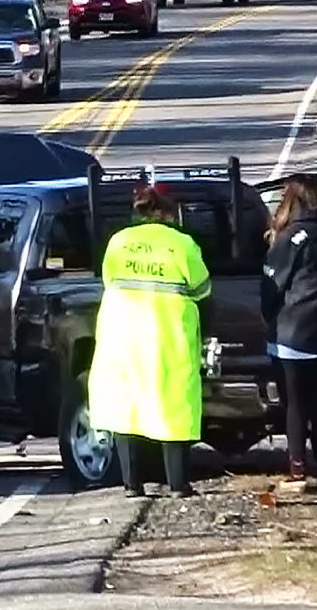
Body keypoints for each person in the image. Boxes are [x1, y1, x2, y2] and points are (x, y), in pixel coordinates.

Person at [88, 182, 210, 498]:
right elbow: (202, 288)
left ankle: (131, 484)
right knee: (174, 408)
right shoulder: (182, 244)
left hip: (122, 337)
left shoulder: (119, 241)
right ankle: (179, 484)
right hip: (167, 338)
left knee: (127, 407)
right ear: (171, 212)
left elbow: (108, 280)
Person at [261, 175, 317, 493]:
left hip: (292, 334)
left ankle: (297, 472)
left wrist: (270, 319)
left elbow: (272, 286)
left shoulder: (290, 238)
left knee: (294, 404)